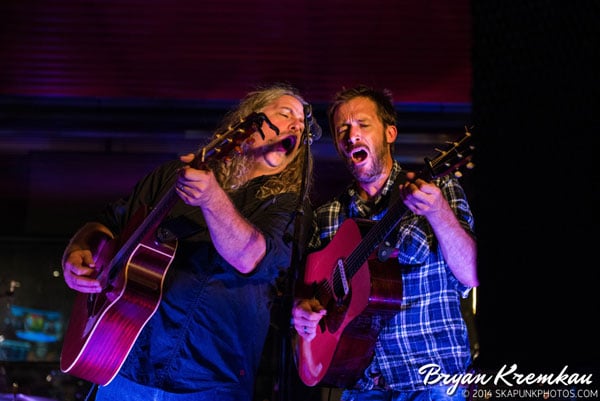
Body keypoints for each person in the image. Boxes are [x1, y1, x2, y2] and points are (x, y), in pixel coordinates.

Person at [61, 83, 321, 401]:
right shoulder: (174, 175)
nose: (296, 124)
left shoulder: (288, 205)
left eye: (301, 125)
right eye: (285, 113)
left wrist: (212, 199)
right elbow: (106, 223)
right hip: (124, 362)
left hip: (210, 382)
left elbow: (250, 257)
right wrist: (78, 251)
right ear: (249, 120)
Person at [292, 85, 478, 401]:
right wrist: (303, 311)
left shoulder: (439, 190)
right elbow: (309, 293)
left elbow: (471, 274)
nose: (352, 135)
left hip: (433, 385)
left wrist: (438, 213)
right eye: (343, 130)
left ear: (390, 132)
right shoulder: (327, 216)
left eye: (363, 125)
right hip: (362, 387)